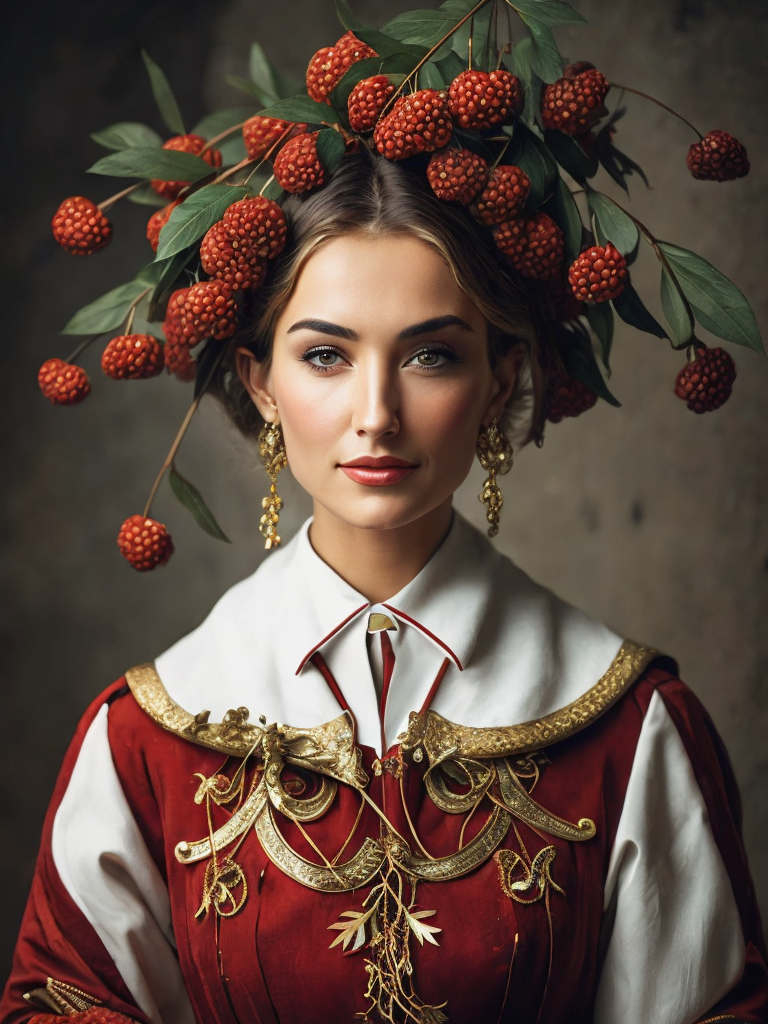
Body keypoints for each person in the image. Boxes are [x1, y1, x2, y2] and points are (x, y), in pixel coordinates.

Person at [4, 4, 767, 1022]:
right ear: (261, 384)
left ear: (502, 382)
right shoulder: (147, 741)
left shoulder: (631, 731)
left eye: (431, 353)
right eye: (325, 353)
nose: (376, 413)